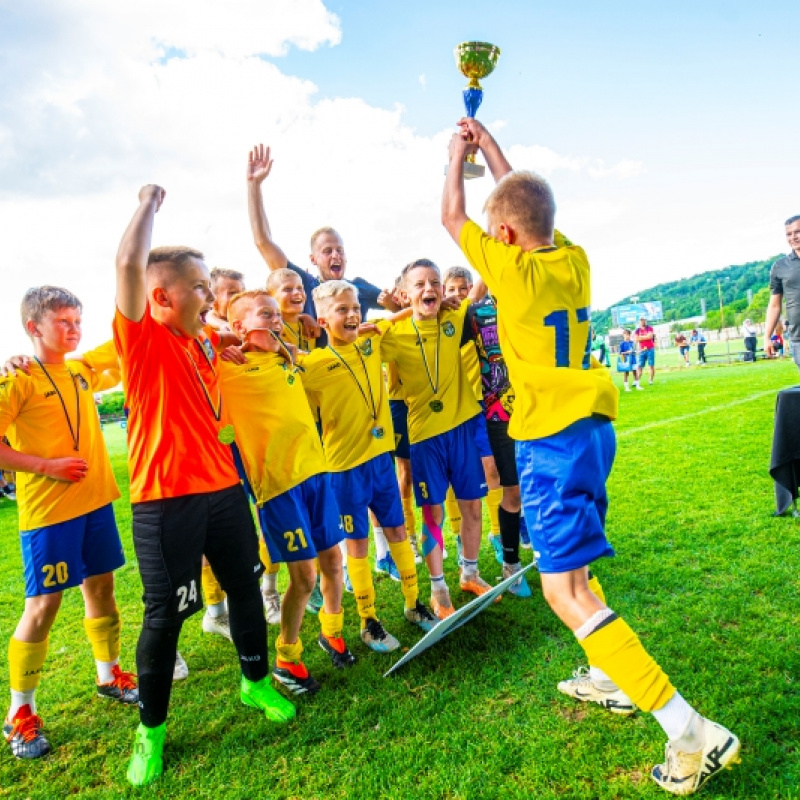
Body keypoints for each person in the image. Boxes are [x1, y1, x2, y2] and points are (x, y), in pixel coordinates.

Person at [442, 117, 740, 795]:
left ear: (506, 239)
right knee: (569, 569)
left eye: (497, 235)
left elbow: (450, 213)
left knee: (562, 589)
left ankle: (687, 730)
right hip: (592, 427)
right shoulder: (571, 259)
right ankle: (608, 674)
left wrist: (456, 152)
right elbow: (521, 204)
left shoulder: (508, 267)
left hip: (550, 437)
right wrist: (490, 151)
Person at [115, 185, 294, 787]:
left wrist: (241, 339)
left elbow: (227, 336)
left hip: (223, 491)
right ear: (160, 296)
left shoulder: (201, 342)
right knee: (167, 617)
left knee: (246, 589)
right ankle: (151, 731)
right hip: (166, 501)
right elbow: (126, 266)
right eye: (197, 287)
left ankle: (255, 681)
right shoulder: (142, 337)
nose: (208, 295)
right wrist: (146, 203)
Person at [1, 287, 137, 760]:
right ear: (33, 328)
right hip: (48, 513)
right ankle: (19, 712)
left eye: (77, 319)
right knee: (44, 606)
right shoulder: (15, 379)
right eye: (62, 321)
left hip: (96, 504)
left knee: (102, 590)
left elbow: (126, 336)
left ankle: (109, 675)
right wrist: (46, 466)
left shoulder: (80, 369)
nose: (74, 329)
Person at [222, 290, 352, 693]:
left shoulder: (290, 358)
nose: (277, 320)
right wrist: (222, 339)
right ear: (240, 326)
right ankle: (286, 657)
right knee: (304, 578)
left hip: (318, 475)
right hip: (278, 488)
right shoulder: (226, 370)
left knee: (334, 562)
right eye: (266, 314)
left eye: (278, 314)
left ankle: (331, 632)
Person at [300, 280, 438, 651]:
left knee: (397, 531)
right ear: (322, 318)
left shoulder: (371, 339)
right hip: (344, 470)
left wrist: (416, 304)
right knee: (357, 545)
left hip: (381, 460)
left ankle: (413, 604)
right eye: (342, 310)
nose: (352, 314)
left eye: (355, 308)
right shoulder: (311, 366)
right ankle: (368, 620)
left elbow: (404, 314)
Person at [378, 258, 491, 620]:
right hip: (424, 436)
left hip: (463, 426)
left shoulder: (455, 318)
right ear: (404, 293)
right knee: (433, 512)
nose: (429, 289)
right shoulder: (393, 336)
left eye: (434, 283)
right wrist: (396, 314)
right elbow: (356, 334)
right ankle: (438, 585)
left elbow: (481, 287)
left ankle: (470, 573)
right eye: (419, 285)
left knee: (473, 505)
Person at [246, 144, 398, 346]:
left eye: (340, 250)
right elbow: (263, 242)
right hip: (320, 369)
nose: (335, 255)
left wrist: (390, 303)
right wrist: (254, 185)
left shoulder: (360, 287)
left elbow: (399, 307)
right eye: (327, 251)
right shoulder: (305, 285)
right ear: (313, 259)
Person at [460, 279, 533, 596]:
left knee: (544, 487)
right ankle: (511, 565)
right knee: (513, 492)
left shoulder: (532, 299)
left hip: (539, 408)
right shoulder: (476, 311)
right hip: (499, 414)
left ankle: (557, 558)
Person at [443, 266, 505, 565]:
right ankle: (457, 535)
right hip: (452, 411)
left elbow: (479, 297)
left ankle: (497, 534)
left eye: (462, 288)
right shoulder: (443, 321)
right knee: (454, 476)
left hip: (481, 404)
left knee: (492, 469)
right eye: (450, 290)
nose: (457, 294)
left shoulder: (477, 316)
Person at [765, 215, 800, 368]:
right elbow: (774, 306)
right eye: (789, 234)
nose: (793, 237)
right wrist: (767, 337)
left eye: (798, 232)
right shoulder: (780, 267)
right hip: (798, 338)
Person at [635, 316, 656, 384]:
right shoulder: (637, 330)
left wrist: (641, 337)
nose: (642, 321)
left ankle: (651, 380)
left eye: (643, 320)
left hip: (650, 349)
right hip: (642, 350)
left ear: (645, 321)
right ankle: (637, 381)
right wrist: (645, 337)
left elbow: (650, 337)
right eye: (641, 320)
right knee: (640, 366)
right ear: (639, 321)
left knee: (651, 365)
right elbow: (637, 339)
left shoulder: (649, 328)